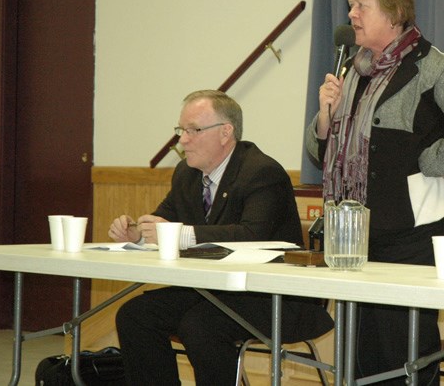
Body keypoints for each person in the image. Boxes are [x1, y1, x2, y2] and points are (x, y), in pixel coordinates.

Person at [306, 0, 444, 384]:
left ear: (393, 13)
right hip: (353, 234)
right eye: (350, 5)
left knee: (404, 350)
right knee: (360, 353)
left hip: (408, 232)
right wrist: (325, 118)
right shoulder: (353, 68)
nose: (352, 14)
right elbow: (319, 150)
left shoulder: (431, 68)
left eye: (362, 5)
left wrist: (430, 162)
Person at [109, 90, 333, 385]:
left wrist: (180, 235)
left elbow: (253, 235)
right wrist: (137, 233)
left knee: (200, 326)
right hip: (213, 291)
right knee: (135, 315)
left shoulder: (262, 172)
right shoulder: (186, 174)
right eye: (181, 130)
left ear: (226, 132)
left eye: (193, 130)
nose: (182, 140)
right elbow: (165, 217)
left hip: (273, 295)